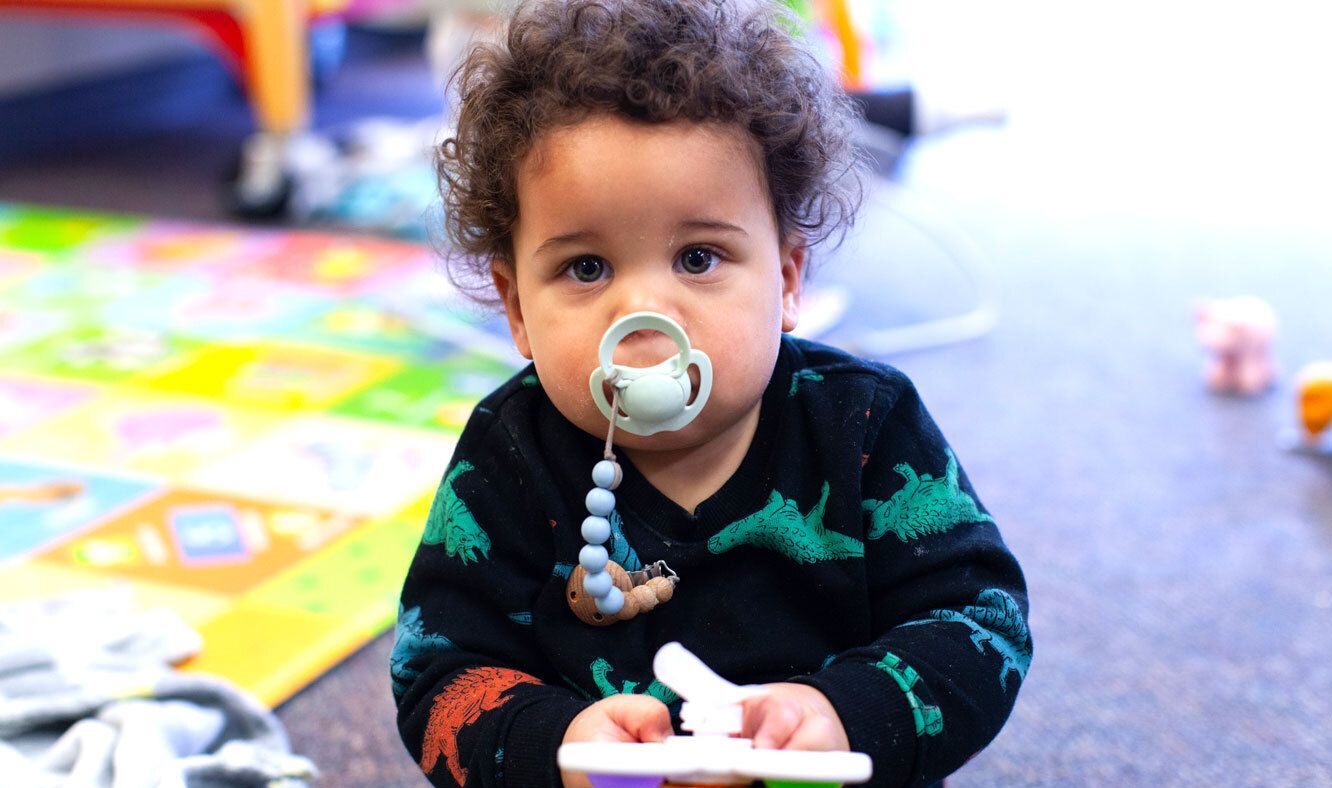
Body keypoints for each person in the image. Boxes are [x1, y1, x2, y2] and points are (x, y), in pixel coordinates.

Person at [392, 1, 1031, 786]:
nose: (643, 315)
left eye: (698, 257)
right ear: (518, 308)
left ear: (788, 280)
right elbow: (440, 670)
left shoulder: (865, 421)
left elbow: (980, 622)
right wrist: (562, 746)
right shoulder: (508, 451)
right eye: (586, 268)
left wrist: (844, 713)